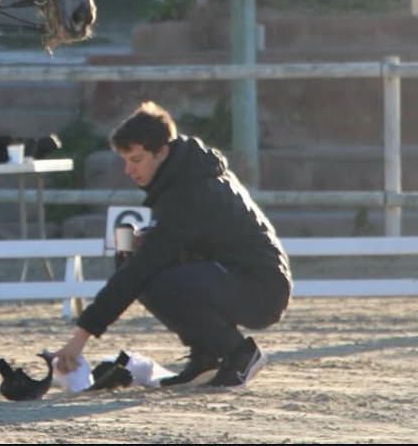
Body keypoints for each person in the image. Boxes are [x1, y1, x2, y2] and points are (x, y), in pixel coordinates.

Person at [51, 101, 292, 388]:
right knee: (129, 253)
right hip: (234, 277)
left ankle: (239, 353)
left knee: (148, 274)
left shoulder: (189, 191)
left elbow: (139, 270)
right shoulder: (185, 178)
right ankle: (207, 356)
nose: (129, 170)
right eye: (125, 160)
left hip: (262, 290)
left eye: (136, 160)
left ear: (162, 152)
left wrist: (79, 339)